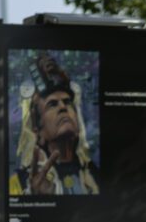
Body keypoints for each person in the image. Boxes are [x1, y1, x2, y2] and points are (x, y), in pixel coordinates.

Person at [12, 53, 98, 195]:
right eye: (52, 104)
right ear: (37, 129)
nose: (63, 107)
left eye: (67, 102)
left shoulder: (96, 177)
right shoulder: (19, 184)